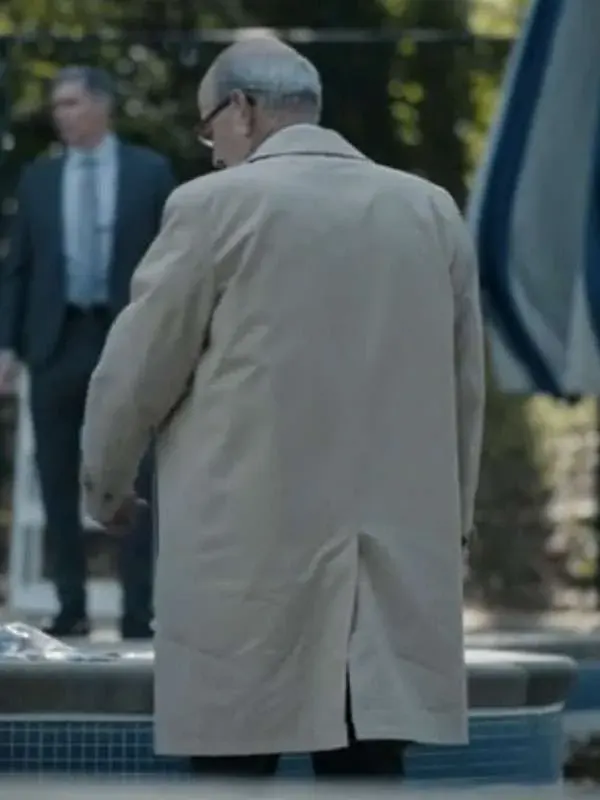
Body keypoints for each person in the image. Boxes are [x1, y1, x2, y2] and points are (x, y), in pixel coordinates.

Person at [80, 38, 485, 779]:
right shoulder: (430, 210)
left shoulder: (213, 207)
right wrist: (453, 526)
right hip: (387, 560)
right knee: (367, 764)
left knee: (234, 761)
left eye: (210, 129)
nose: (211, 151)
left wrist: (105, 482)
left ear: (242, 109)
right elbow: (463, 389)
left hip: (247, 549)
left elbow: (138, 369)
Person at [0, 66, 175, 639]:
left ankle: (137, 611)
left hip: (126, 340)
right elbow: (18, 268)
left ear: (102, 106)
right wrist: (6, 346)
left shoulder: (149, 173)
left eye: (71, 103)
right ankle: (69, 605)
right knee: (56, 478)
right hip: (56, 341)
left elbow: (173, 263)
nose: (62, 114)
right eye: (58, 105)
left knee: (137, 476)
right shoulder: (40, 179)